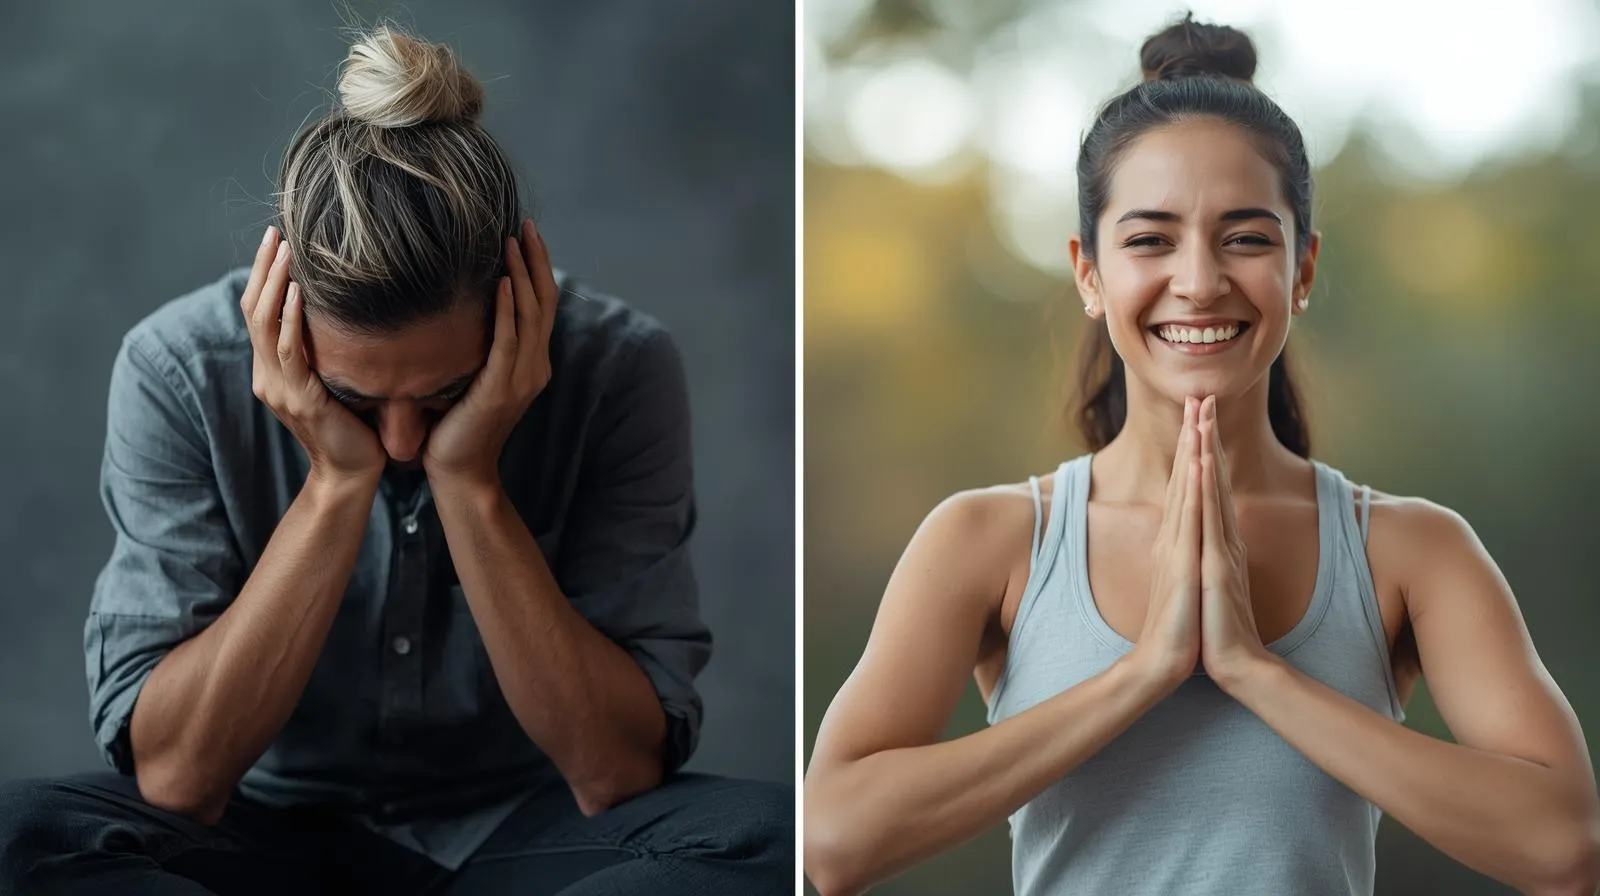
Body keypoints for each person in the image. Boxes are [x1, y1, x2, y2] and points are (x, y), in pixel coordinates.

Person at [803, 15, 1600, 896]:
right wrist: (1142, 673)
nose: (1198, 281)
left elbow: (1564, 846)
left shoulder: (1412, 550)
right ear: (1089, 273)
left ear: (1302, 269)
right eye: (1150, 239)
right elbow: (834, 842)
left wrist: (1257, 673)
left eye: (1246, 238)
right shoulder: (987, 540)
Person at [0, 25, 790, 896]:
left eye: (448, 394)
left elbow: (615, 774)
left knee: (776, 843)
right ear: (283, 302)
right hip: (261, 837)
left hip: (526, 834)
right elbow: (180, 780)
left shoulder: (618, 368)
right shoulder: (176, 370)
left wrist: (471, 483)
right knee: (24, 837)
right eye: (355, 399)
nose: (405, 442)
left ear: (518, 296)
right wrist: (336, 484)